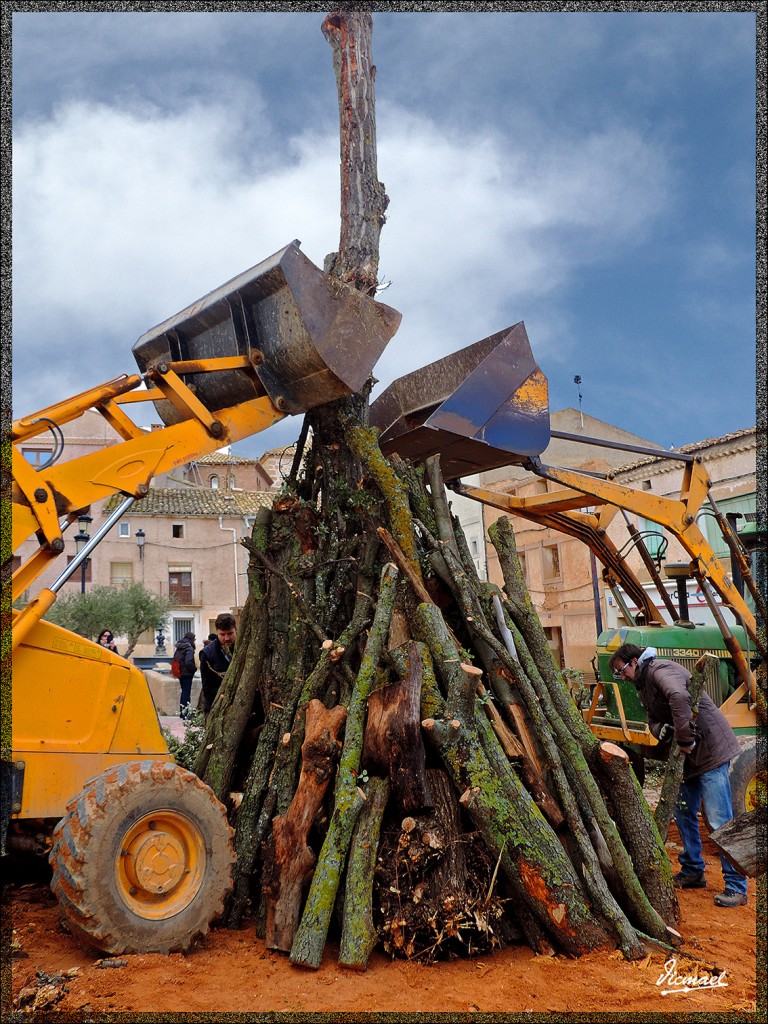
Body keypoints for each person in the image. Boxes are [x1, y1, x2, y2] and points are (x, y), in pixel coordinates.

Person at [608, 643, 748, 908]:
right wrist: (659, 728)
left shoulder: (660, 670)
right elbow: (652, 718)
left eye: (621, 670)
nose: (622, 676)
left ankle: (737, 887)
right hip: (690, 758)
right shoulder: (644, 683)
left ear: (634, 662)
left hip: (709, 751)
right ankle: (693, 870)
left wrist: (684, 739)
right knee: (683, 812)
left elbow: (680, 697)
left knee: (719, 821)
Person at [199, 613, 237, 716]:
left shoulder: (243, 650)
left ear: (236, 629)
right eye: (222, 634)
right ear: (217, 632)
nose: (226, 638)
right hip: (216, 706)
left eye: (230, 633)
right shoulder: (207, 654)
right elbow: (207, 688)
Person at [173, 631, 197, 716]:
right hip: (187, 673)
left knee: (184, 692)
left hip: (180, 673)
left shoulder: (179, 647)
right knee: (186, 693)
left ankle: (182, 712)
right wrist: (194, 669)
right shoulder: (189, 648)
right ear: (192, 639)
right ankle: (185, 714)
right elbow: (189, 662)